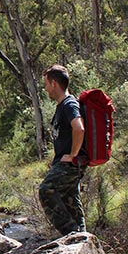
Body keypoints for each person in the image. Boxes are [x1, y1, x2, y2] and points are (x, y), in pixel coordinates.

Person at [38, 64, 87, 235]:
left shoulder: (69, 104)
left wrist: (73, 155)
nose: (45, 89)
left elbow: (79, 128)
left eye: (46, 84)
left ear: (54, 84)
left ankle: (70, 233)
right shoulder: (62, 106)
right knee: (70, 198)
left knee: (45, 190)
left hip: (70, 163)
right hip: (68, 163)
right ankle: (81, 235)